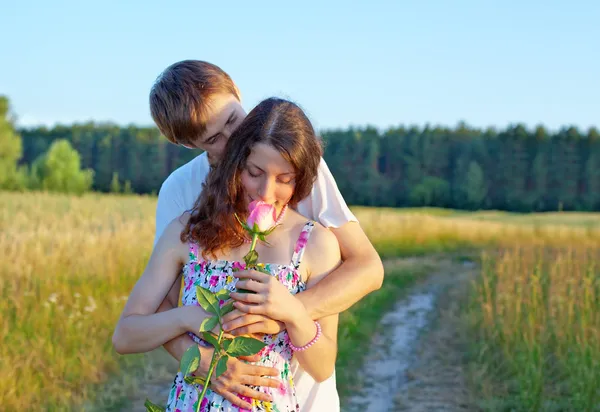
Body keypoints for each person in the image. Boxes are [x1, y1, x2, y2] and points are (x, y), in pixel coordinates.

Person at [144, 60, 383, 410]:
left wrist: (286, 313)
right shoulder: (178, 191)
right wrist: (203, 362)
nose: (232, 140)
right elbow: (160, 304)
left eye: (232, 120)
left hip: (305, 395)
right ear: (185, 142)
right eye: (213, 139)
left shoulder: (290, 163)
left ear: (237, 92)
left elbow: (368, 267)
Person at [113, 97, 342, 411]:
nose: (265, 192)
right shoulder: (188, 232)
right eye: (255, 171)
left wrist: (292, 312)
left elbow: (322, 366)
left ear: (300, 178)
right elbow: (125, 336)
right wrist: (187, 318)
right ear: (236, 162)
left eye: (284, 179)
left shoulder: (316, 243)